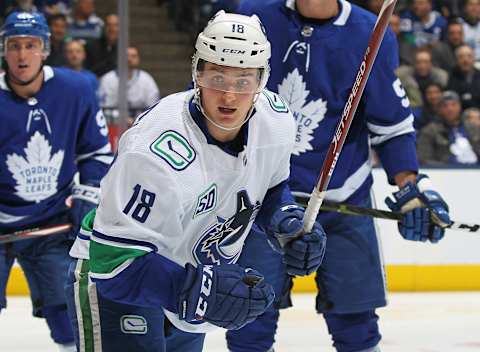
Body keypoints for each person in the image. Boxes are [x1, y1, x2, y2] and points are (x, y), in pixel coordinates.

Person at [65, 10, 327, 352]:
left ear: (261, 81)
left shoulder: (276, 121)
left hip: (188, 280)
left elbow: (271, 190)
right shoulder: (154, 151)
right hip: (120, 281)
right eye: (217, 78)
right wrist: (197, 290)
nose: (229, 96)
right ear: (197, 73)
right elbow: (113, 260)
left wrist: (285, 221)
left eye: (243, 81)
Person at [230, 1, 452, 352]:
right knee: (247, 321)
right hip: (264, 201)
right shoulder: (253, 18)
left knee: (356, 325)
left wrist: (410, 185)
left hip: (342, 201)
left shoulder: (369, 31)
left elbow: (391, 124)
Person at [0, 11, 112, 352]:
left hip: (51, 221)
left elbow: (97, 152)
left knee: (67, 313)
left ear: (45, 49)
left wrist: (86, 196)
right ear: (3, 50)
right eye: (14, 46)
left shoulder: (76, 89)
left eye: (31, 45)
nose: (22, 55)